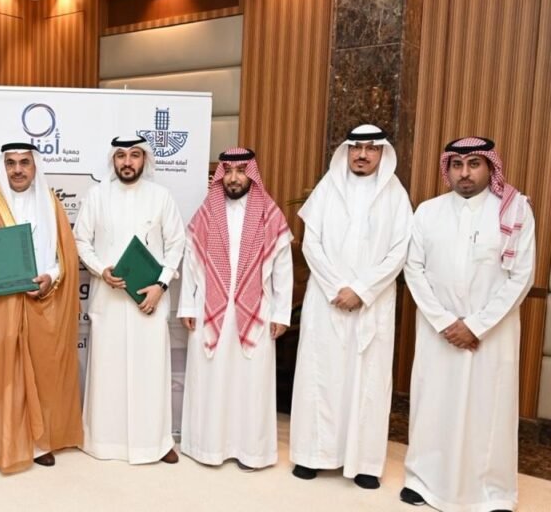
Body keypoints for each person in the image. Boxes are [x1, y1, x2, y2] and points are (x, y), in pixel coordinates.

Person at [401, 136, 534, 511]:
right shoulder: (428, 211)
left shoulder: (515, 211)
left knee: (488, 410)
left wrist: (475, 325)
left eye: (474, 164)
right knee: (433, 405)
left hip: (492, 333)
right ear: (448, 169)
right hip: (438, 331)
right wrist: (445, 322)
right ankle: (422, 481)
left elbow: (522, 276)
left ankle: (493, 493)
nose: (465, 173)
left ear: (490, 167)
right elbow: (414, 270)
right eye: (457, 165)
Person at [289, 125, 413, 489]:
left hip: (371, 304)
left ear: (382, 153)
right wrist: (336, 287)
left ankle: (364, 464)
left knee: (369, 382)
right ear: (346, 151)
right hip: (326, 302)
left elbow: (400, 251)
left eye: (371, 148)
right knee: (320, 375)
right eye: (356, 148)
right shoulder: (327, 189)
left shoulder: (395, 195)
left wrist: (360, 290)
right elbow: (311, 245)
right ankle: (312, 455)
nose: (362, 154)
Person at [0, 142, 82, 473]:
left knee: (42, 371)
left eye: (25, 162)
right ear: (3, 166)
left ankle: (41, 443)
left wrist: (51, 277)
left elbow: (65, 255)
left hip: (40, 302)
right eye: (11, 163)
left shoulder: (50, 203)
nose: (18, 169)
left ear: (35, 166)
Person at [178, 147, 293, 471]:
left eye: (240, 171)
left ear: (251, 175)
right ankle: (207, 448)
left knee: (251, 384)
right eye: (227, 171)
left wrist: (280, 313)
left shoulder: (269, 214)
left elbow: (283, 268)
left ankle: (251, 452)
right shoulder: (206, 213)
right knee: (210, 380)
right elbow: (191, 262)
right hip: (209, 308)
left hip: (256, 310)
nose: (233, 178)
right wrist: (187, 305)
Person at [73, 136, 185, 464]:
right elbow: (81, 240)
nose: (127, 162)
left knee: (150, 371)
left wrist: (161, 285)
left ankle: (155, 443)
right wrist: (100, 270)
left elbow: (176, 244)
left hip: (149, 299)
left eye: (134, 155)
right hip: (108, 299)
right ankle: (104, 442)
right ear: (113, 160)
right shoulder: (97, 196)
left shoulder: (161, 197)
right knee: (108, 373)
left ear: (144, 160)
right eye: (121, 155)